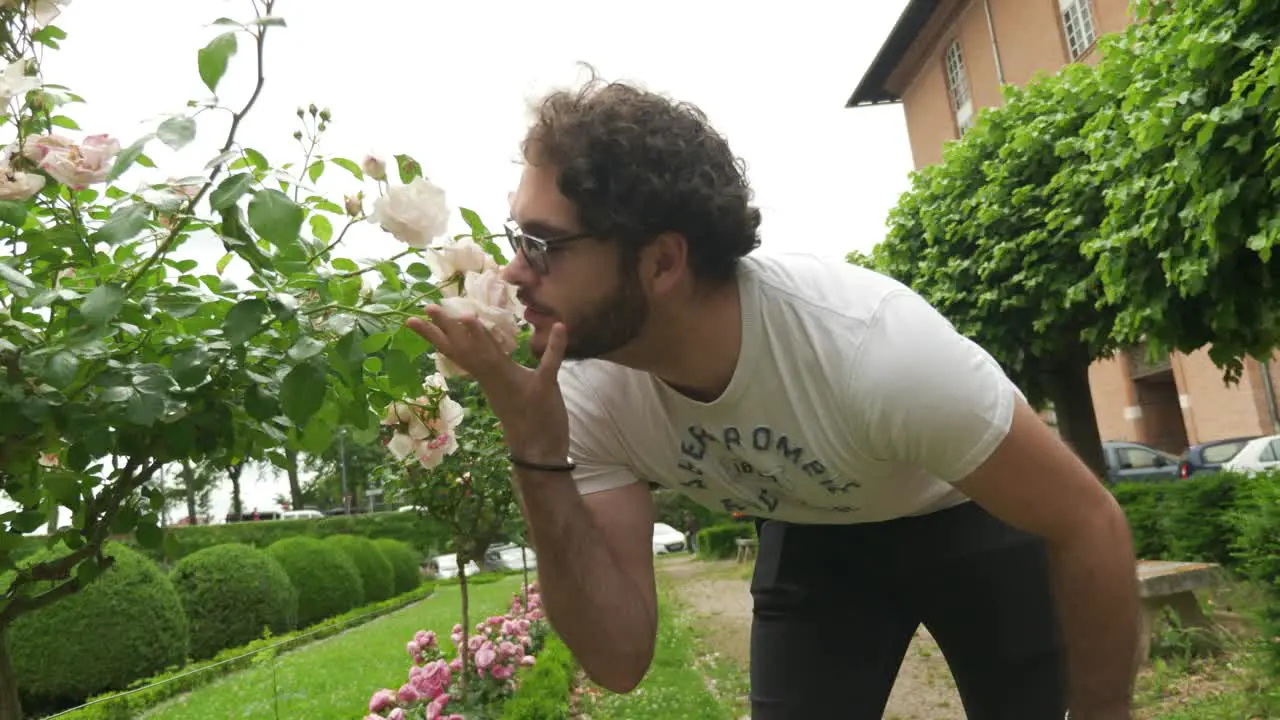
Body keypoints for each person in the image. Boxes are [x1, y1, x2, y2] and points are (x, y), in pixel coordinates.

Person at [407, 72, 1141, 720]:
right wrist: (535, 449)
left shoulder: (870, 352)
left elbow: (1089, 521)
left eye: (542, 245)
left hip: (964, 510)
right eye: (515, 236)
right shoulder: (587, 391)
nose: (508, 273)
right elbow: (619, 658)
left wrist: (1106, 714)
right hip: (814, 530)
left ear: (662, 261)